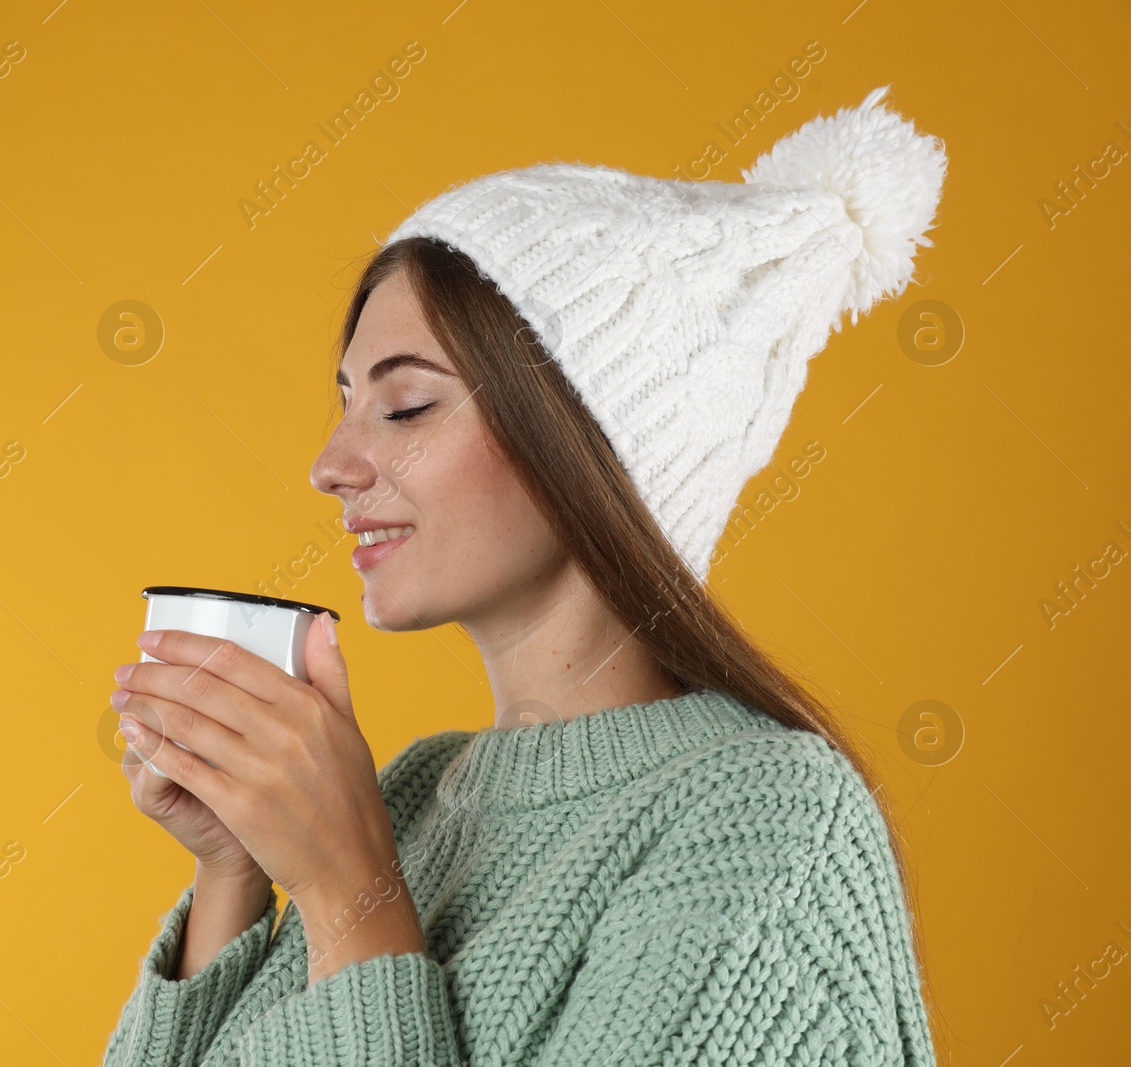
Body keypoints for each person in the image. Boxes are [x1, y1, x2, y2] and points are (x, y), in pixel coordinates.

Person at [103, 84, 947, 1066]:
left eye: (407, 405)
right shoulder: (418, 793)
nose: (330, 463)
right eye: (345, 402)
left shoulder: (766, 822)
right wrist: (233, 867)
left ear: (588, 442)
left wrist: (349, 896)